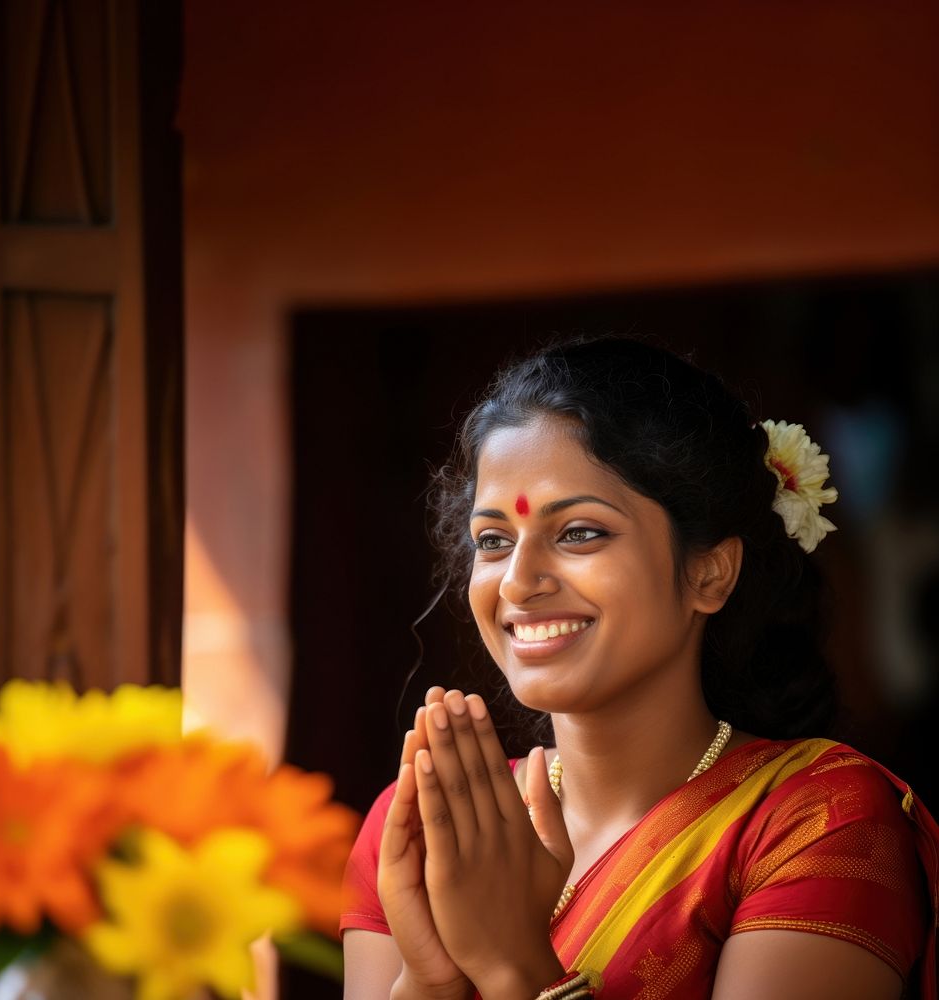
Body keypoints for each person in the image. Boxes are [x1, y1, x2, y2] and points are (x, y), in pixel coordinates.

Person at [340, 337, 938, 1000]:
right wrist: (429, 980)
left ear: (708, 572)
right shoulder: (427, 827)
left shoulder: (817, 820)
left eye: (578, 533)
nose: (517, 582)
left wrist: (513, 966)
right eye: (493, 541)